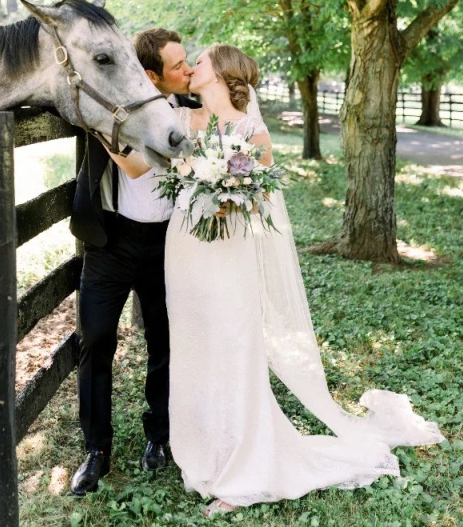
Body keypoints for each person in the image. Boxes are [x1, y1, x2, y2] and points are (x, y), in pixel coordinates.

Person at [109, 43, 444, 517]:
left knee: (232, 348)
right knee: (194, 345)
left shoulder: (253, 132)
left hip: (229, 255)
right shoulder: (181, 122)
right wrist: (105, 137)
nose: (192, 67)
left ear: (223, 74)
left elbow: (264, 200)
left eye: (200, 60)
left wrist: (230, 195)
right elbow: (140, 166)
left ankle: (245, 464)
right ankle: (204, 453)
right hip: (183, 249)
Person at [69, 28, 200, 496]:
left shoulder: (191, 111)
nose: (189, 69)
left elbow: (144, 165)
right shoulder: (105, 107)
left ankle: (159, 436)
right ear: (148, 75)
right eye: (179, 64)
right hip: (110, 240)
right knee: (97, 338)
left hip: (169, 242)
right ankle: (96, 450)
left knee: (165, 339)